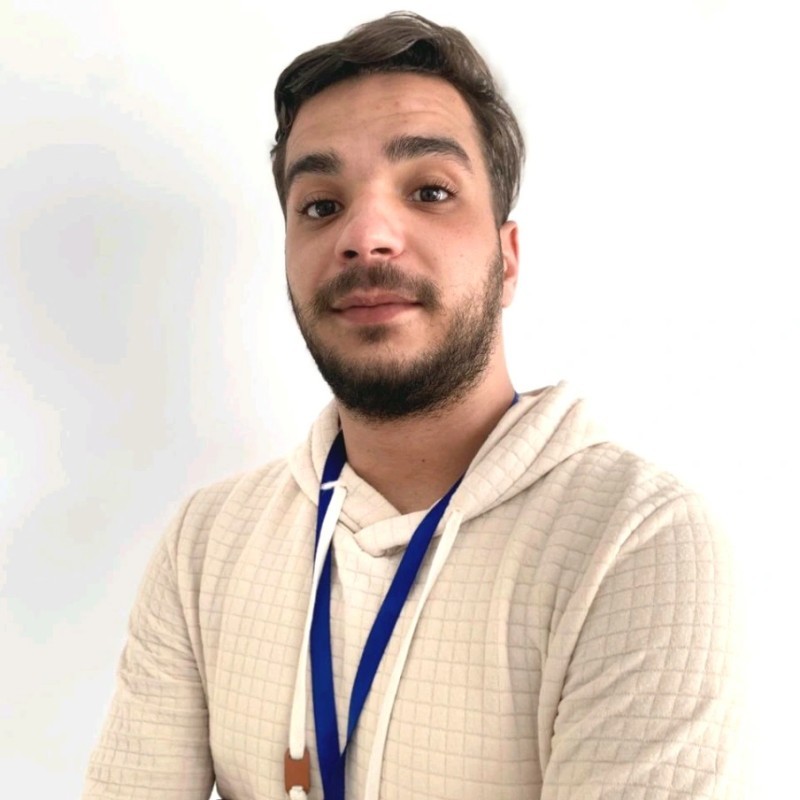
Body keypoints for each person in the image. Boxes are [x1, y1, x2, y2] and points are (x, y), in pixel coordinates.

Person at [82, 12, 744, 800]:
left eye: (430, 191)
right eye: (320, 206)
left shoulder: (634, 539)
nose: (365, 235)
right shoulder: (207, 543)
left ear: (507, 261)